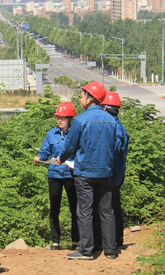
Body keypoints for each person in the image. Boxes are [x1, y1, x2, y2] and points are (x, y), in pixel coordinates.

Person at [57, 81, 118, 260]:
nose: (80, 98)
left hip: (85, 172)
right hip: (106, 171)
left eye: (82, 95)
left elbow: (71, 145)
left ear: (90, 98)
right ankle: (110, 250)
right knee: (107, 211)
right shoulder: (110, 119)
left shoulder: (81, 120)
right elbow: (114, 145)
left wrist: (61, 157)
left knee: (85, 211)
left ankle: (86, 250)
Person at [34, 102, 79, 251]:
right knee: (54, 208)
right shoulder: (51, 134)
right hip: (54, 174)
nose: (60, 120)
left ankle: (76, 240)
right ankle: (55, 241)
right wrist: (39, 158)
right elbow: (44, 152)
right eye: (58, 117)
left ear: (70, 119)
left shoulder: (75, 133)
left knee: (75, 208)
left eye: (63, 118)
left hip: (71, 174)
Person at [101, 91, 129, 248]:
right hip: (118, 172)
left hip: (112, 173)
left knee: (109, 207)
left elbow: (114, 150)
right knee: (115, 205)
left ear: (105, 109)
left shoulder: (114, 128)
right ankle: (117, 240)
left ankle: (113, 242)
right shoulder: (119, 126)